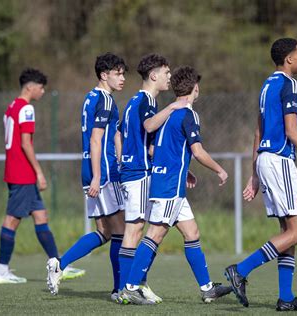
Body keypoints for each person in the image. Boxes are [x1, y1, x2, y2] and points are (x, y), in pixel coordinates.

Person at [224, 38, 297, 311]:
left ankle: (285, 297)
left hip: (265, 160)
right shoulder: (290, 84)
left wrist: (254, 173)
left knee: (288, 231)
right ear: (289, 59)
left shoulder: (267, 85)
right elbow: (291, 131)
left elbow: (258, 132)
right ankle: (240, 270)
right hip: (279, 161)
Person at [121, 66, 232, 305]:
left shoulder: (168, 113)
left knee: (192, 233)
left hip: (170, 182)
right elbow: (198, 151)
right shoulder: (187, 114)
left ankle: (207, 288)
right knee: (155, 234)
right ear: (195, 88)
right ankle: (130, 287)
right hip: (169, 186)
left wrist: (185, 170)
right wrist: (220, 170)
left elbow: (156, 149)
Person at [46, 53, 126, 297]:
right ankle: (119, 289)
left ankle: (59, 264)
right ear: (104, 75)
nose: (123, 78)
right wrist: (98, 176)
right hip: (102, 172)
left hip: (91, 170)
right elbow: (96, 139)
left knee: (105, 232)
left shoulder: (91, 97)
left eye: (124, 73)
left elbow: (111, 135)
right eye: (118, 73)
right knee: (123, 233)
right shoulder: (105, 100)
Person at [0, 68, 85, 284]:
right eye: (41, 87)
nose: (43, 91)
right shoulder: (26, 108)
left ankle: (59, 265)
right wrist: (39, 172)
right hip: (23, 173)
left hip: (16, 171)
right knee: (12, 221)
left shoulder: (11, 107)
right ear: (29, 87)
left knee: (41, 216)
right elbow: (25, 143)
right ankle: (2, 270)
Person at [116, 53, 187, 303]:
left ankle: (135, 285)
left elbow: (126, 136)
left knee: (141, 229)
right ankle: (127, 289)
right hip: (137, 173)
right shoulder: (146, 100)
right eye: (166, 73)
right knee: (135, 229)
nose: (169, 77)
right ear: (154, 75)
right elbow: (148, 127)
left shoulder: (135, 100)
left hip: (134, 170)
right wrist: (172, 107)